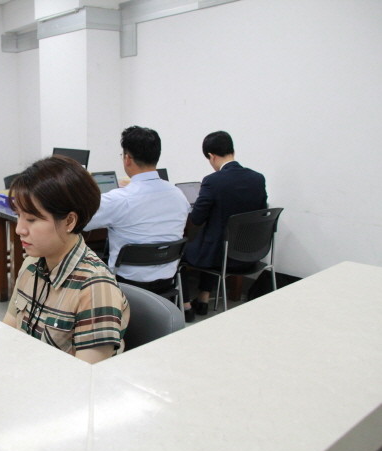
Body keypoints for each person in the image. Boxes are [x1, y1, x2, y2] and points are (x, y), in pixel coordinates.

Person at [3, 156, 130, 364]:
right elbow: (9, 330)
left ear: (69, 221)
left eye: (32, 219)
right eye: (18, 216)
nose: (19, 229)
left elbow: (87, 376)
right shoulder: (31, 265)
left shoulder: (95, 288)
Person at [84, 126, 189, 292]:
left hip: (125, 286)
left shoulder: (118, 199)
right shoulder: (178, 195)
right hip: (167, 282)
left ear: (127, 158)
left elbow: (80, 222)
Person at [182, 131, 267, 321]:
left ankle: (186, 305)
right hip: (250, 254)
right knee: (214, 239)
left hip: (222, 256)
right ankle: (203, 298)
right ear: (232, 151)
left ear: (211, 156)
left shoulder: (212, 181)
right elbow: (261, 212)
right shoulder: (258, 178)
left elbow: (197, 219)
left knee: (180, 251)